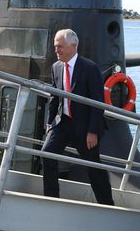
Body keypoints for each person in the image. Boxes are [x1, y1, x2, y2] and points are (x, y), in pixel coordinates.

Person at [41, 29, 114, 205]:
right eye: (55, 46)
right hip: (62, 122)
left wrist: (92, 132)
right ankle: (51, 200)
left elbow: (98, 103)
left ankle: (107, 204)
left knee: (93, 166)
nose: (56, 50)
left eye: (60, 46)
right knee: (46, 154)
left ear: (73, 46)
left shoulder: (89, 68)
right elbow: (54, 97)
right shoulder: (56, 67)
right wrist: (50, 122)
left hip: (85, 126)